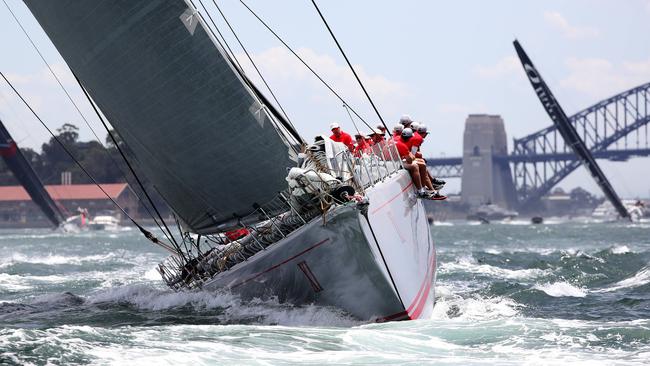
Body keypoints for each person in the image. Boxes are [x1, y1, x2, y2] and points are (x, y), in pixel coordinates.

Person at [395, 128, 442, 199]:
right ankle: (421, 191)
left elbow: (410, 156)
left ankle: (425, 188)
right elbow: (410, 160)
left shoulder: (396, 140)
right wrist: (411, 156)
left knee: (422, 164)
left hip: (394, 162)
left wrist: (410, 156)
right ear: (408, 138)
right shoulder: (403, 145)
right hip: (397, 164)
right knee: (415, 166)